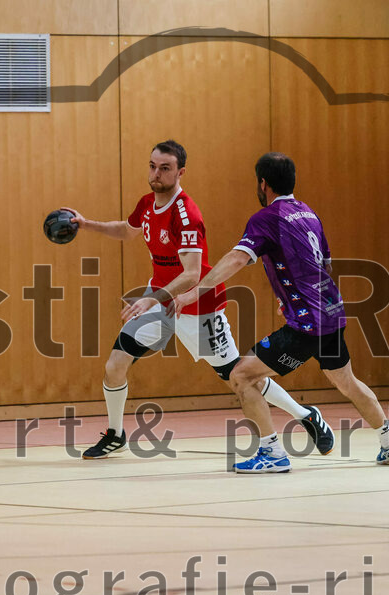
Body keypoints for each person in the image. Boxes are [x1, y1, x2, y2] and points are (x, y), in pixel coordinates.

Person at [63, 141, 332, 460]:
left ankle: (306, 415)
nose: (156, 173)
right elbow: (127, 230)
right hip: (160, 300)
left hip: (198, 307)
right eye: (152, 166)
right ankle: (115, 434)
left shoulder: (187, 214)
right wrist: (86, 224)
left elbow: (191, 274)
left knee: (238, 376)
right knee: (115, 364)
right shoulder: (147, 203)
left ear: (180, 172)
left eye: (165, 168)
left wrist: (151, 300)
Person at [173, 152, 389, 473]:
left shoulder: (267, 218)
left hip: (307, 324)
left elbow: (237, 258)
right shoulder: (309, 213)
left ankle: (272, 453)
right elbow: (325, 264)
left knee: (241, 376)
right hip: (332, 313)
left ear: (263, 184)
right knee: (347, 381)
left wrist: (194, 292)